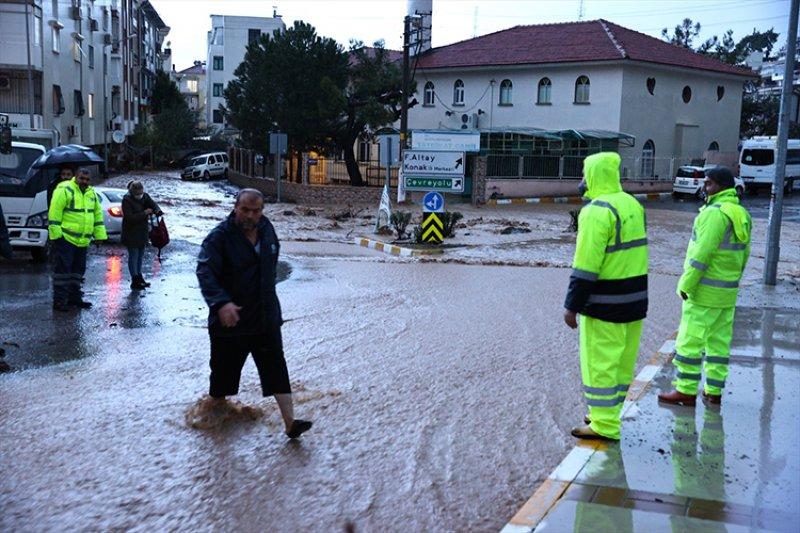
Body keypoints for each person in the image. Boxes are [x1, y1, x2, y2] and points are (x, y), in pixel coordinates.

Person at [196, 188, 312, 439]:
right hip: (230, 321)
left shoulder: (267, 229)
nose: (250, 215)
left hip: (265, 317)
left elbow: (270, 266)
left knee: (277, 370)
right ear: (235, 208)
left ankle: (291, 423)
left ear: (262, 211)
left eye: (256, 211)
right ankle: (213, 428)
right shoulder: (219, 238)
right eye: (245, 210)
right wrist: (221, 303)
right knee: (222, 380)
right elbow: (205, 272)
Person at [563, 152, 648, 441]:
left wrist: (571, 306)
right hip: (635, 299)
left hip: (605, 304)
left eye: (584, 174)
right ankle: (608, 412)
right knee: (623, 362)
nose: (582, 181)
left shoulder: (595, 211)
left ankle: (604, 425)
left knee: (599, 363)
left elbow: (586, 266)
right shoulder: (632, 204)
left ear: (594, 175)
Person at [659, 167, 751, 406]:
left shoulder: (713, 214)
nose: (704, 188)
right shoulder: (740, 213)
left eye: (708, 184)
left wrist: (686, 284)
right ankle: (714, 391)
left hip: (704, 293)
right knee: (718, 344)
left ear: (721, 186)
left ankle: (685, 391)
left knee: (689, 342)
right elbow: (744, 255)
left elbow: (701, 254)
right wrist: (733, 283)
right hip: (727, 294)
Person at [48, 166, 107, 312]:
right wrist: (56, 236)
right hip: (66, 238)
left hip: (82, 240)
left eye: (87, 179)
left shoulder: (91, 193)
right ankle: (60, 301)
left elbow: (97, 216)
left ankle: (75, 298)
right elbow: (54, 212)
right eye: (82, 178)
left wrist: (99, 236)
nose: (84, 181)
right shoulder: (64, 189)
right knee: (63, 272)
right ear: (76, 177)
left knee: (77, 272)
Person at [121, 180, 162, 290]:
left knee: (140, 256)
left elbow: (153, 204)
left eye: (141, 193)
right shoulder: (126, 200)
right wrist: (145, 212)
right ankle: (135, 279)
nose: (140, 196)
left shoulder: (145, 197)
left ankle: (139, 277)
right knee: (134, 256)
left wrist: (157, 210)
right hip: (131, 233)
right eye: (137, 194)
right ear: (132, 192)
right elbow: (130, 217)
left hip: (142, 232)